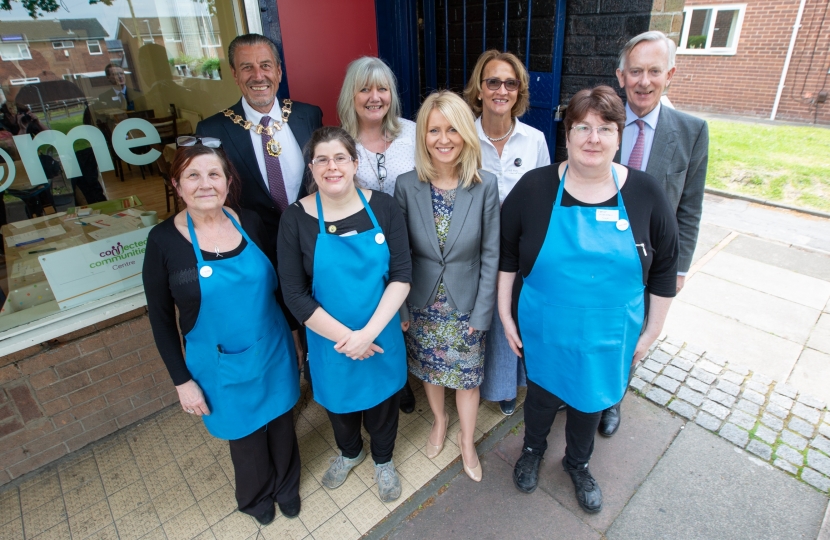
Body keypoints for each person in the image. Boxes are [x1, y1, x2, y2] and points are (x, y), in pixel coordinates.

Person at [505, 86, 678, 513]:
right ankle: (532, 451)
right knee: (542, 397)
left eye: (605, 128)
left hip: (609, 332)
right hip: (546, 327)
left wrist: (652, 331)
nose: (593, 138)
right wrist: (506, 318)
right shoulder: (535, 187)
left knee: (592, 400)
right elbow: (507, 255)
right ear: (568, 134)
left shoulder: (646, 194)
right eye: (582, 126)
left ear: (620, 136)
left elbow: (665, 269)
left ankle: (578, 463)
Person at [143, 137, 302, 524]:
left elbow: (280, 287)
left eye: (214, 173)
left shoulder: (249, 221)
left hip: (273, 347)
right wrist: (182, 381)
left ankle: (287, 486)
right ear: (176, 185)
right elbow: (161, 319)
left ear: (228, 181)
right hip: (217, 363)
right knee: (244, 436)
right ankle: (256, 498)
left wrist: (298, 340)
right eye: (192, 175)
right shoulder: (163, 241)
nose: (205, 184)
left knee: (282, 421)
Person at [277, 126, 411, 503]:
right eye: (322, 159)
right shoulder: (296, 219)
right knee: (339, 405)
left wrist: (368, 334)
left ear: (354, 164)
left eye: (340, 158)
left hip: (381, 332)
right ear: (311, 167)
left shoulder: (382, 207)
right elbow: (294, 294)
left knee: (385, 404)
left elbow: (402, 275)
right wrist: (347, 338)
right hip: (328, 340)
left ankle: (383, 460)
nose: (331, 166)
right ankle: (350, 452)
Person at [597, 30, 709, 437]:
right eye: (636, 71)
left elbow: (690, 209)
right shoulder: (601, 123)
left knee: (631, 332)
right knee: (593, 323)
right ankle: (578, 388)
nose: (644, 81)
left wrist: (678, 269)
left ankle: (612, 399)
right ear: (621, 75)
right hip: (596, 250)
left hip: (649, 260)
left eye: (654, 71)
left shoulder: (692, 131)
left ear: (670, 74)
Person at [197, 33, 323, 380]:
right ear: (235, 75)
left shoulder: (308, 116)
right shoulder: (214, 128)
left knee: (322, 302)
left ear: (279, 72)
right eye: (247, 67)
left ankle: (321, 366)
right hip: (259, 244)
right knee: (275, 315)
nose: (258, 75)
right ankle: (291, 373)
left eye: (266, 65)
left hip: (313, 238)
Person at [394, 91, 499, 482]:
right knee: (431, 371)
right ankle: (439, 421)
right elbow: (400, 255)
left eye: (452, 128)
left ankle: (467, 440)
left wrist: (484, 312)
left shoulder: (484, 185)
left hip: (467, 304)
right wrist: (402, 308)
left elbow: (491, 254)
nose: (443, 139)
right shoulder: (407, 186)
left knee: (467, 379)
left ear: (466, 134)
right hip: (421, 301)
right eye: (434, 130)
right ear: (422, 135)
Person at [462, 50, 551, 417]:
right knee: (478, 316)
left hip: (518, 246)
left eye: (510, 83)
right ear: (479, 89)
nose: (502, 90)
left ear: (519, 91)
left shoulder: (534, 140)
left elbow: (546, 195)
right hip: (472, 244)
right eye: (493, 81)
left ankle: (508, 385)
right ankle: (470, 380)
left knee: (512, 314)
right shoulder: (464, 135)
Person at [337, 55, 419, 415]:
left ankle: (414, 371)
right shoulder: (340, 142)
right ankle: (395, 381)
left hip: (416, 239)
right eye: (365, 89)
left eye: (382, 88)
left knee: (414, 312)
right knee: (382, 313)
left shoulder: (412, 131)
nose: (375, 97)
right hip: (366, 249)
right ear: (350, 95)